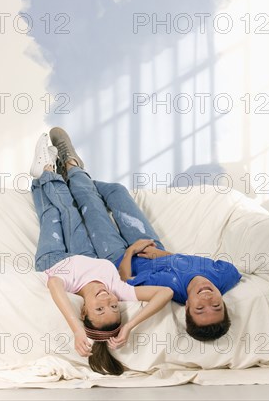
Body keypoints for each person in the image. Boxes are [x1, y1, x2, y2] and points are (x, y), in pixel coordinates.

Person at [29, 129, 173, 376]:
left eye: (99, 309)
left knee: (58, 211)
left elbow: (54, 282)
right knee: (76, 210)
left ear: (83, 310)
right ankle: (70, 167)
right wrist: (129, 327)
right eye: (115, 308)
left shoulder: (70, 287)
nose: (108, 301)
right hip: (86, 256)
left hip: (55, 261)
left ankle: (45, 172)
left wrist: (76, 329)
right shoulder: (117, 289)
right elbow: (165, 292)